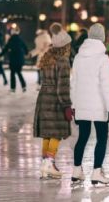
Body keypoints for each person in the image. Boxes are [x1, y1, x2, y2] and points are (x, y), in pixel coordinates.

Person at [70, 23, 109, 187]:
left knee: (82, 137)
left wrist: (74, 106)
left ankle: (76, 171)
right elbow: (106, 86)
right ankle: (96, 172)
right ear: (103, 38)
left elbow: (73, 84)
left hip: (81, 104)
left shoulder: (78, 57)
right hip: (99, 106)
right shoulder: (103, 58)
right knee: (101, 138)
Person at [33, 23, 72, 179]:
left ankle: (45, 164)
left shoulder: (47, 58)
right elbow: (62, 87)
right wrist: (67, 106)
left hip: (44, 98)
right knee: (56, 133)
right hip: (55, 101)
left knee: (47, 134)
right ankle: (49, 162)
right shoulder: (63, 62)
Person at [4, 26, 28, 92]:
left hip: (13, 59)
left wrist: (0, 54)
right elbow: (25, 48)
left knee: (12, 74)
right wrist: (26, 53)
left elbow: (6, 48)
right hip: (20, 59)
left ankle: (13, 88)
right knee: (19, 73)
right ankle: (23, 86)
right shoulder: (20, 39)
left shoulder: (11, 39)